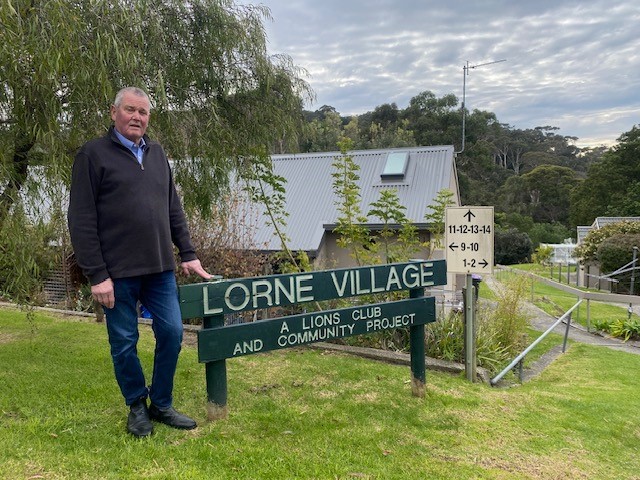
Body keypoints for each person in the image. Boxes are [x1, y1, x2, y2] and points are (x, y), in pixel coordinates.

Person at [68, 86, 212, 438]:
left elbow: (172, 207)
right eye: (130, 110)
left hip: (160, 268)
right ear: (113, 112)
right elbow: (81, 218)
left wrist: (188, 253)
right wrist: (97, 274)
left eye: (143, 112)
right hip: (115, 274)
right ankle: (137, 405)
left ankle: (161, 404)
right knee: (123, 341)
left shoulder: (158, 153)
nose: (137, 117)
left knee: (173, 332)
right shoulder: (93, 155)